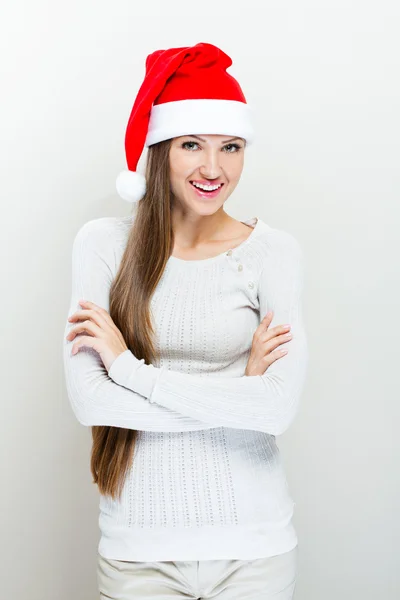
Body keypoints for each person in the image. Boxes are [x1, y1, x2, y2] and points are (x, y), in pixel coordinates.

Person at [63, 42, 308, 600]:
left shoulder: (273, 253)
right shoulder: (104, 245)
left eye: (231, 147)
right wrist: (236, 395)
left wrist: (128, 369)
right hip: (137, 551)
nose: (213, 168)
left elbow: (276, 409)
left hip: (255, 548)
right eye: (191, 144)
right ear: (159, 149)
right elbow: (89, 402)